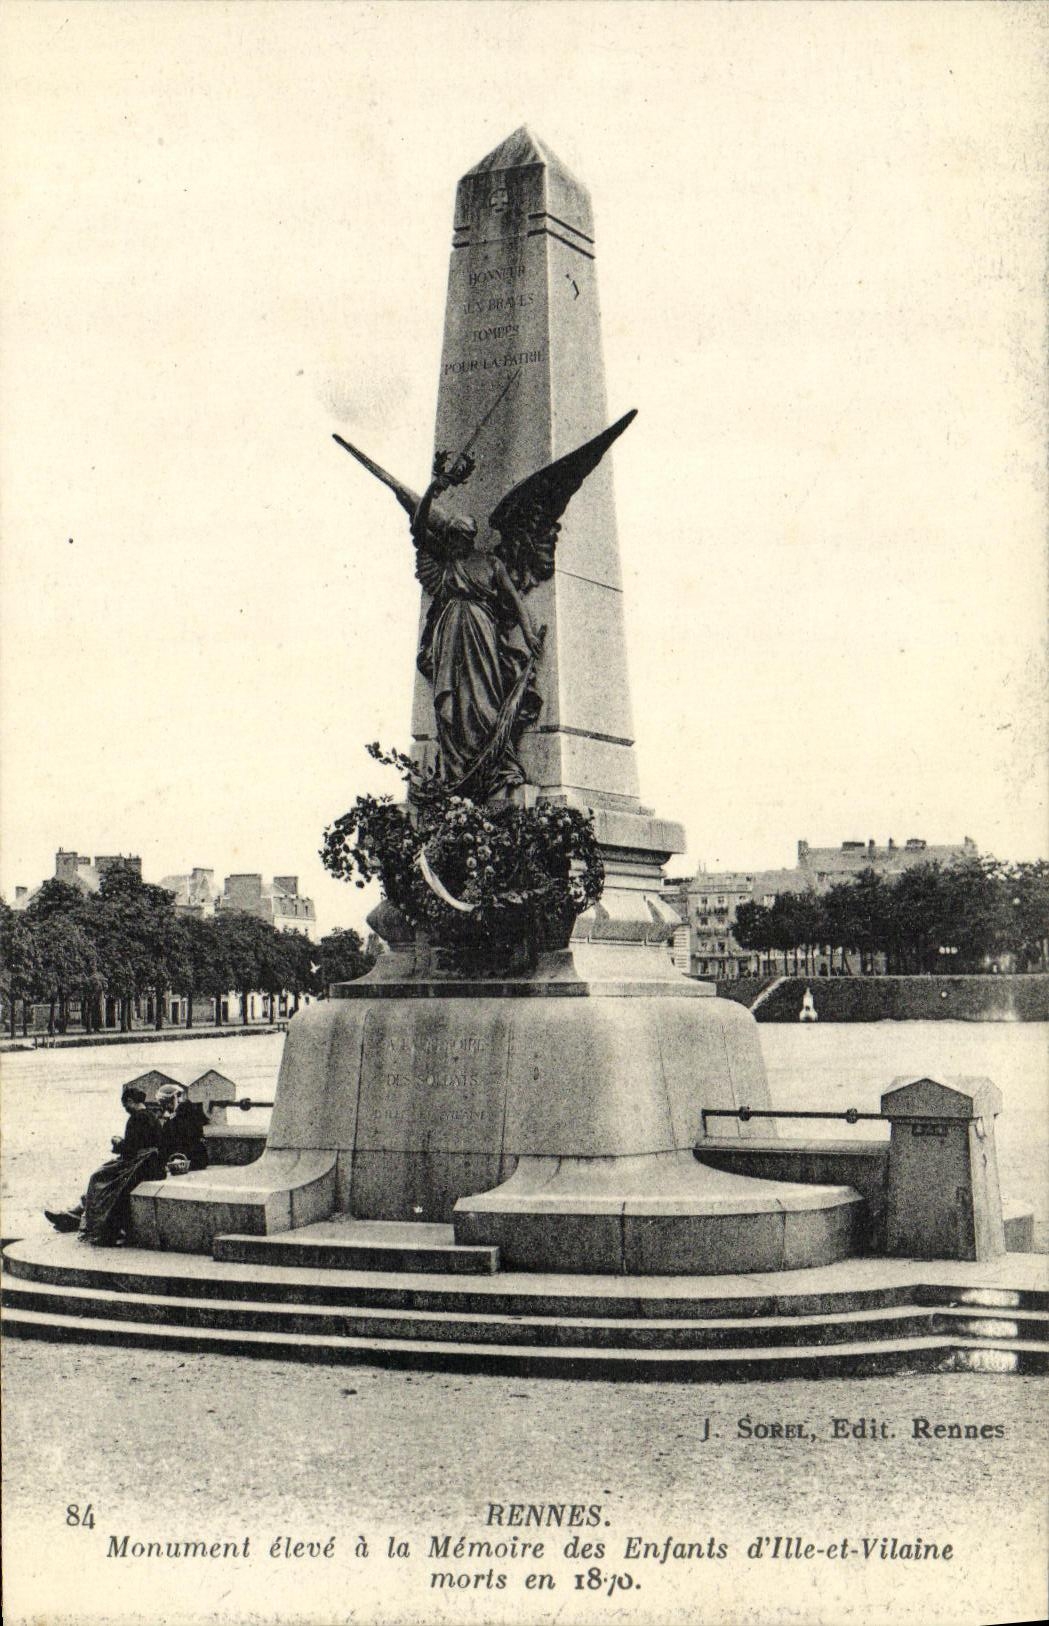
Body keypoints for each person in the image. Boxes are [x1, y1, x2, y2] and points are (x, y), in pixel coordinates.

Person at [44, 1084, 166, 1246]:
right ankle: (76, 1215)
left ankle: (82, 1218)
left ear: (130, 1101)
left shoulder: (136, 1118)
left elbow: (130, 1148)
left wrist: (117, 1142)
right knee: (104, 1176)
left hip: (140, 1164)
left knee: (98, 1177)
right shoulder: (152, 1117)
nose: (125, 1109)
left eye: (125, 1106)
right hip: (152, 1163)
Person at [155, 1082, 210, 1171]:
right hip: (196, 1160)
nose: (164, 1106)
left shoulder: (180, 1117)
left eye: (164, 1103)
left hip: (186, 1161)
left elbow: (173, 1141)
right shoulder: (189, 1111)